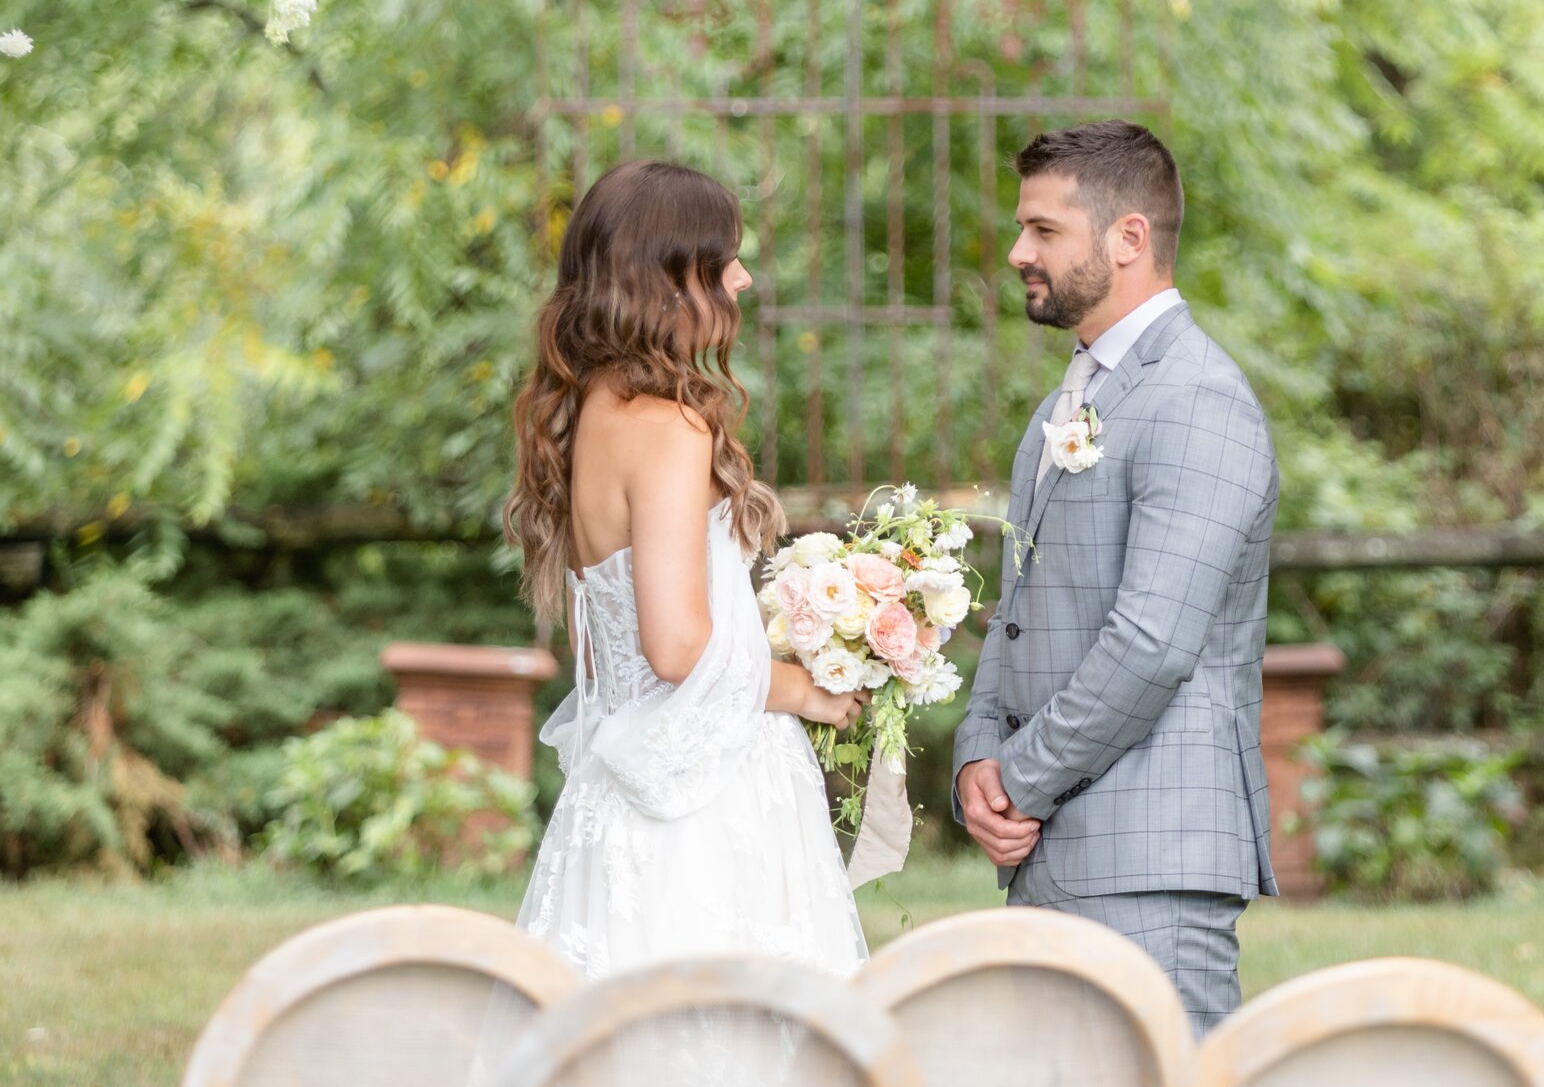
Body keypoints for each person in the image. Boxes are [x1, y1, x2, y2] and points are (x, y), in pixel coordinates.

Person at [952, 121, 1281, 1035]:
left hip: (1152, 862)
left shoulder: (1199, 400)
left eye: (1044, 229)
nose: (1018, 250)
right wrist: (977, 758)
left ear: (1129, 238)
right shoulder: (1071, 398)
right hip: (1051, 851)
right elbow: (1017, 611)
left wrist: (1019, 776)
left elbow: (1152, 643)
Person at [508, 158, 867, 980]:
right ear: (668, 279)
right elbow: (676, 648)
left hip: (621, 793)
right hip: (702, 808)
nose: (743, 276)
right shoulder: (668, 426)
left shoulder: (593, 409)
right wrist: (805, 687)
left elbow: (616, 650)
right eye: (724, 258)